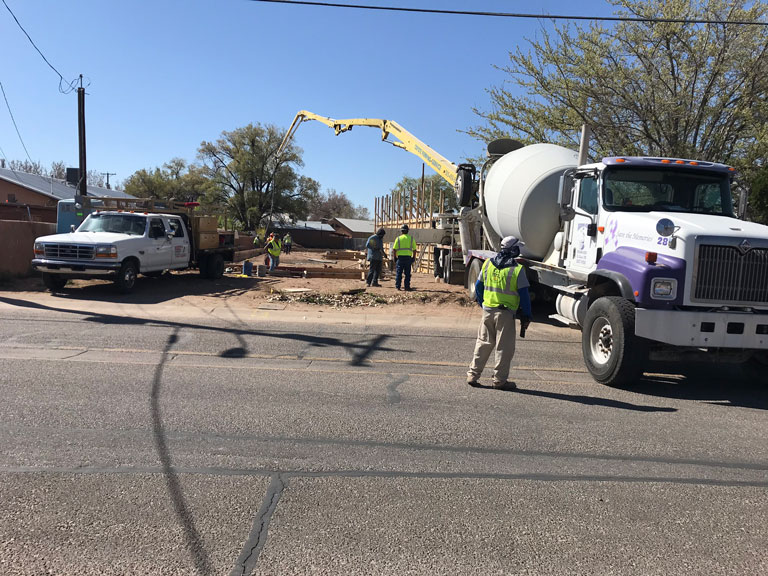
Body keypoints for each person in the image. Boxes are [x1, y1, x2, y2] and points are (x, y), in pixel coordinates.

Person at [466, 235, 533, 390]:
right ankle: (499, 380)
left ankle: (472, 375)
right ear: (513, 250)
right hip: (505, 314)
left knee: (483, 343)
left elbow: (478, 287)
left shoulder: (488, 264)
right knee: (504, 347)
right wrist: (527, 315)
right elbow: (524, 296)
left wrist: (483, 303)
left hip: (488, 311)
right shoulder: (517, 270)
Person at [392, 224, 416, 291]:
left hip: (400, 258)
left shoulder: (398, 239)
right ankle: (407, 287)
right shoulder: (411, 239)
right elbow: (414, 249)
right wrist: (413, 257)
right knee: (407, 273)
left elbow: (394, 249)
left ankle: (398, 286)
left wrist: (395, 257)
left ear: (401, 231)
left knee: (399, 273)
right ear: (408, 231)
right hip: (408, 258)